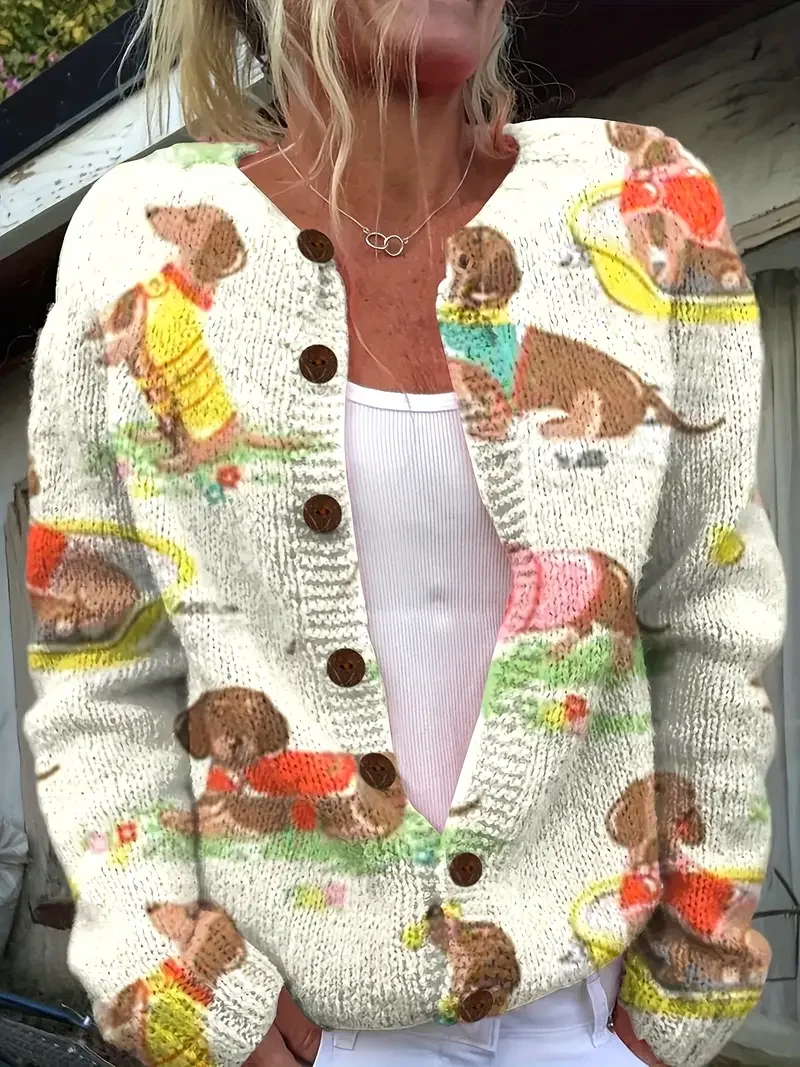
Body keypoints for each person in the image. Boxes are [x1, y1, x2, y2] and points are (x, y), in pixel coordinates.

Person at [23, 0, 785, 1066]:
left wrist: (686, 991)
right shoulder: (134, 240)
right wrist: (180, 991)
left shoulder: (637, 198)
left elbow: (708, 618)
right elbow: (99, 664)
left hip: (589, 1020)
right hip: (291, 1024)